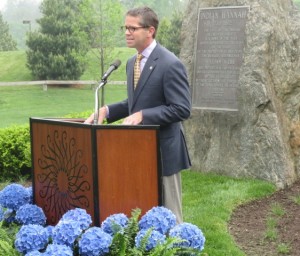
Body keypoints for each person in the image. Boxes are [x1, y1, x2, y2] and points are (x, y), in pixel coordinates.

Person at [85, 6, 191, 223]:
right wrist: (107, 110)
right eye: (125, 27)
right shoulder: (132, 63)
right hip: (137, 152)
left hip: (163, 151)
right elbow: (135, 103)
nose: (127, 32)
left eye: (132, 28)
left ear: (150, 30)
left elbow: (181, 108)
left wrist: (144, 115)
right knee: (142, 210)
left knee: (170, 217)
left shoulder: (170, 64)